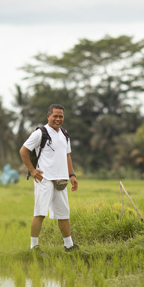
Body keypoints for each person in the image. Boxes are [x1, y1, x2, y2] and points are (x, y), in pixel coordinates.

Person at [19, 104, 85, 257]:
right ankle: (33, 247)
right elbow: (23, 150)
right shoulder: (39, 133)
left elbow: (67, 155)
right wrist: (32, 170)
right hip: (45, 179)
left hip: (61, 180)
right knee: (40, 213)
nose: (58, 119)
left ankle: (68, 246)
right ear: (48, 116)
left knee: (63, 214)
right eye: (55, 116)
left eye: (61, 116)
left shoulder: (64, 134)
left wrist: (72, 175)